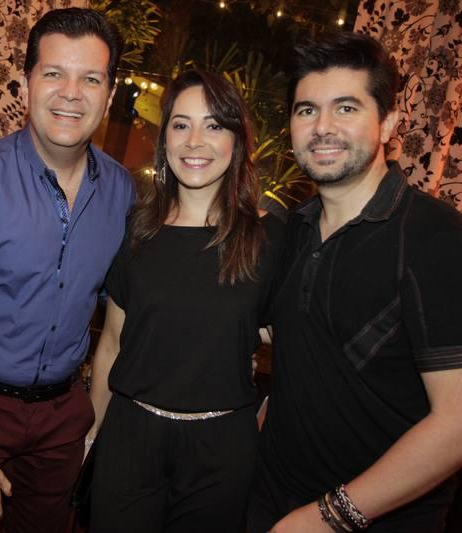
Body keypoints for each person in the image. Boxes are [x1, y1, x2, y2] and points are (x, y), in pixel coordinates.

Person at [0, 7, 134, 532]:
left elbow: (123, 313)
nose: (71, 93)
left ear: (109, 93)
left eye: (91, 78)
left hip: (62, 417)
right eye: (54, 73)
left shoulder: (123, 191)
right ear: (26, 82)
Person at [247, 31, 462, 532]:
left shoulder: (435, 237)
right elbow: (298, 338)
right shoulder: (294, 229)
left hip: (366, 519)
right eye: (307, 110)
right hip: (268, 500)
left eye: (345, 108)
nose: (323, 127)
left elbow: (455, 423)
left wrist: (328, 516)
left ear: (388, 123)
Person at [86, 69, 282, 532]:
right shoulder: (138, 230)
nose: (195, 141)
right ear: (165, 139)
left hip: (221, 450)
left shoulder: (269, 238)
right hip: (130, 438)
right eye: (180, 124)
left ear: (237, 140)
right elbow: (112, 343)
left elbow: (298, 350)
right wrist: (92, 433)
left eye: (213, 125)